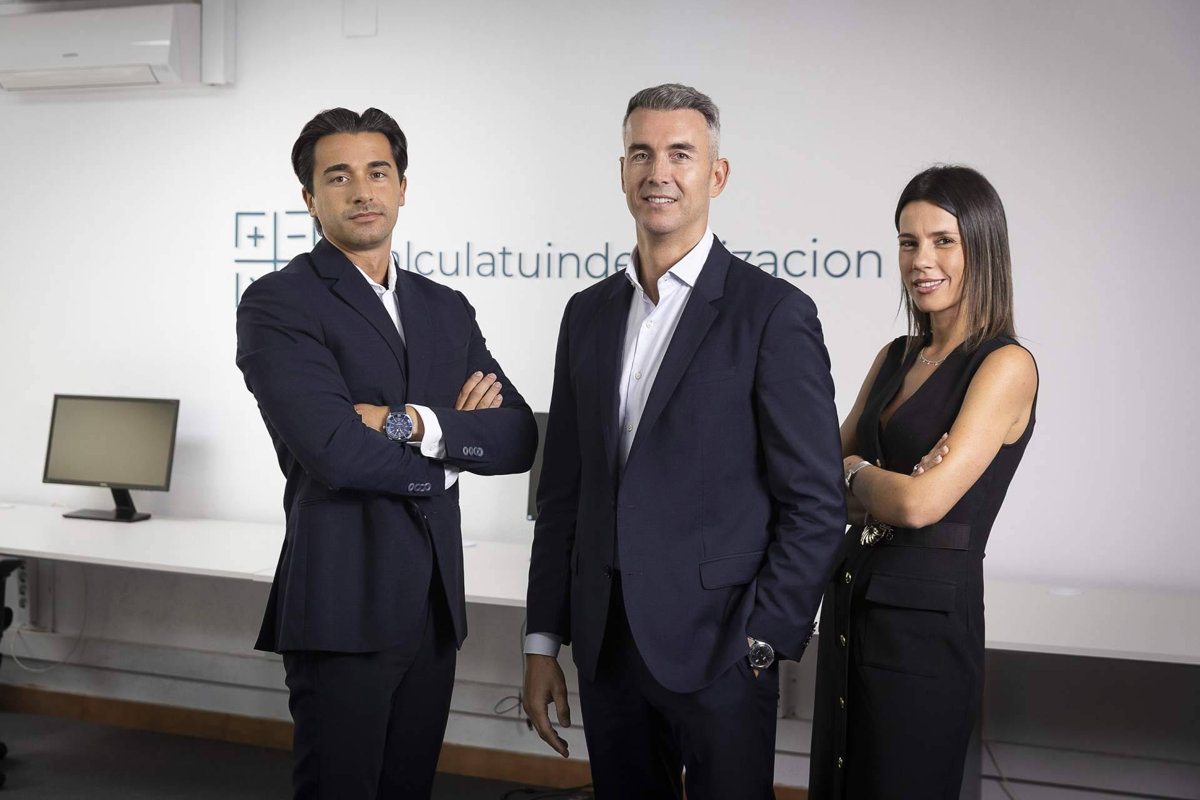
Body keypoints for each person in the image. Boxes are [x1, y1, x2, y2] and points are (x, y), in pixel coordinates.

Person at [522, 83, 845, 800]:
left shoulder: (773, 314)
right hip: (607, 651)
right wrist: (542, 640)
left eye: (680, 154)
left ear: (716, 175)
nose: (658, 173)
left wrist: (763, 640)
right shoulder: (586, 315)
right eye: (641, 154)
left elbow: (817, 503)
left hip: (722, 649)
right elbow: (563, 494)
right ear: (622, 172)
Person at [235, 107, 537, 800]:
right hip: (344, 602)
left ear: (402, 187)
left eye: (378, 172)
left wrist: (411, 423)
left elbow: (519, 436)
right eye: (338, 177)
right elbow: (336, 452)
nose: (362, 191)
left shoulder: (445, 307)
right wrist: (457, 450)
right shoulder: (279, 302)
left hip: (433, 605)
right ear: (311, 198)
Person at [808, 165, 1039, 798]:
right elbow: (816, 480)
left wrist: (856, 472)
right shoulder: (895, 356)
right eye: (908, 242)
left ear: (981, 248)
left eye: (943, 241)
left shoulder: (1005, 364)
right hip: (852, 602)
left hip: (925, 635)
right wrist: (866, 480)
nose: (921, 260)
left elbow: (918, 505)